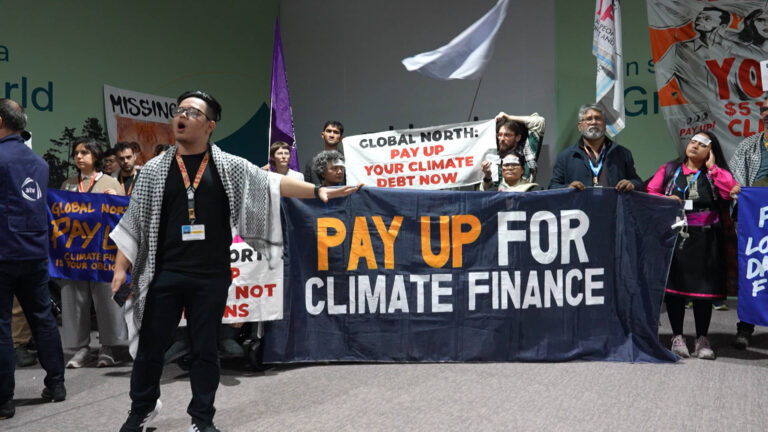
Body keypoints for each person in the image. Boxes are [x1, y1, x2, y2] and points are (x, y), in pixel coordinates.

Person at [110, 91, 360, 432]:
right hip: (163, 274)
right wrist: (121, 267)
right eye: (179, 110)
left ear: (209, 125)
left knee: (204, 350)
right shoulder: (154, 170)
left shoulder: (227, 166)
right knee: (152, 348)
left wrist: (317, 191)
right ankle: (141, 410)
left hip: (210, 276)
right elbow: (135, 221)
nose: (181, 116)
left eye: (192, 112)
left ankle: (201, 419)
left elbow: (273, 184)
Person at [0, 98, 66, 420]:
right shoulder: (39, 163)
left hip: (2, 253)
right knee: (42, 317)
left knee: (1, 326)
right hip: (34, 253)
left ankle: (4, 401)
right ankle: (57, 384)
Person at [647, 131, 740, 360]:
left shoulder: (713, 174)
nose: (695, 146)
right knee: (675, 290)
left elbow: (732, 190)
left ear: (711, 151)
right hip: (675, 237)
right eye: (693, 142)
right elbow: (651, 191)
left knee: (703, 290)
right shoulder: (670, 170)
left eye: (702, 144)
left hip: (707, 238)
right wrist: (666, 201)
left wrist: (714, 167)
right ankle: (677, 337)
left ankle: (702, 338)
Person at [59, 138, 128, 368]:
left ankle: (108, 347)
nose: (79, 156)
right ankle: (81, 348)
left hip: (103, 253)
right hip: (74, 254)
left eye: (84, 152)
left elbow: (121, 216)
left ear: (95, 156)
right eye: (76, 153)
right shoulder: (68, 185)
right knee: (74, 300)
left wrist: (114, 198)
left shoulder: (110, 182)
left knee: (106, 300)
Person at [728, 95, 768, 349]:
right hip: (757, 217)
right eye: (764, 109)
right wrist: (737, 191)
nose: (767, 113)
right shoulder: (749, 145)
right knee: (753, 269)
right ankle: (745, 328)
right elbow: (736, 177)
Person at [549, 104, 641, 191]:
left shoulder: (622, 153)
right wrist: (568, 188)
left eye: (598, 118)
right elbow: (553, 187)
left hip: (613, 207)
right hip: (579, 207)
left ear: (605, 125)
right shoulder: (565, 157)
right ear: (580, 126)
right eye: (589, 119)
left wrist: (631, 184)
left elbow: (638, 183)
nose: (594, 122)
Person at [481, 112, 545, 189]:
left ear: (518, 137)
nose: (502, 139)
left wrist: (509, 117)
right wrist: (487, 176)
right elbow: (485, 190)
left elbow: (539, 122)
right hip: (499, 198)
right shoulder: (492, 157)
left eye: (507, 135)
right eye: (500, 135)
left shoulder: (527, 152)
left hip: (523, 196)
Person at [304, 121, 344, 185]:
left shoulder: (347, 162)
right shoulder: (311, 164)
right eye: (329, 131)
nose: (331, 135)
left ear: (341, 138)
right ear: (323, 135)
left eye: (336, 132)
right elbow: (307, 190)